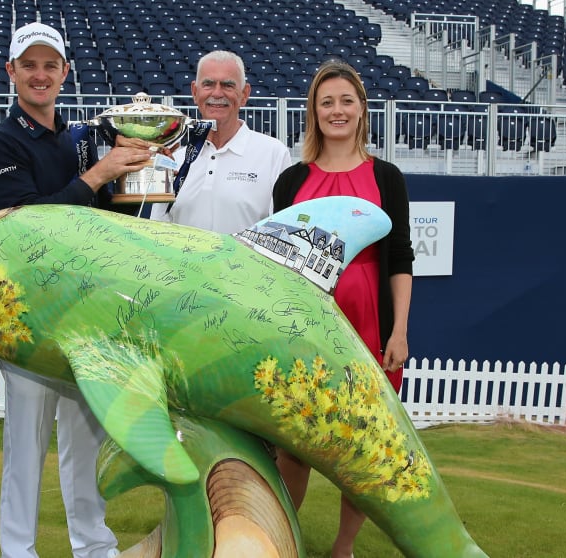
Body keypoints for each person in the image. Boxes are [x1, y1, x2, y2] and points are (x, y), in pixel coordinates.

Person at [0, 22, 159, 558]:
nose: (39, 74)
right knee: (25, 446)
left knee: (85, 443)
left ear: (64, 73)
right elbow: (33, 223)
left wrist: (138, 174)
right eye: (28, 64)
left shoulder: (83, 138)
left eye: (49, 65)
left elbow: (104, 218)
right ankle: (18, 550)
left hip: (87, 314)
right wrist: (101, 172)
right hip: (30, 318)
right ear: (10, 71)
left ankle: (94, 546)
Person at [272, 59, 414, 558]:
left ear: (362, 110)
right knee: (295, 445)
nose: (337, 110)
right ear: (314, 111)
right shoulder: (291, 181)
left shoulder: (387, 177)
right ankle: (281, 538)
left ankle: (342, 549)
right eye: (326, 101)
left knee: (362, 444)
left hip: (369, 329)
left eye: (346, 101)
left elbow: (400, 259)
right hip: (307, 329)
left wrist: (398, 331)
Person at [150, 50, 292, 234]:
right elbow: (157, 229)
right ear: (195, 92)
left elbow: (282, 231)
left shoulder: (274, 154)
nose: (217, 93)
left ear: (244, 94)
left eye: (227, 85)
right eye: (208, 84)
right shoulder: (175, 160)